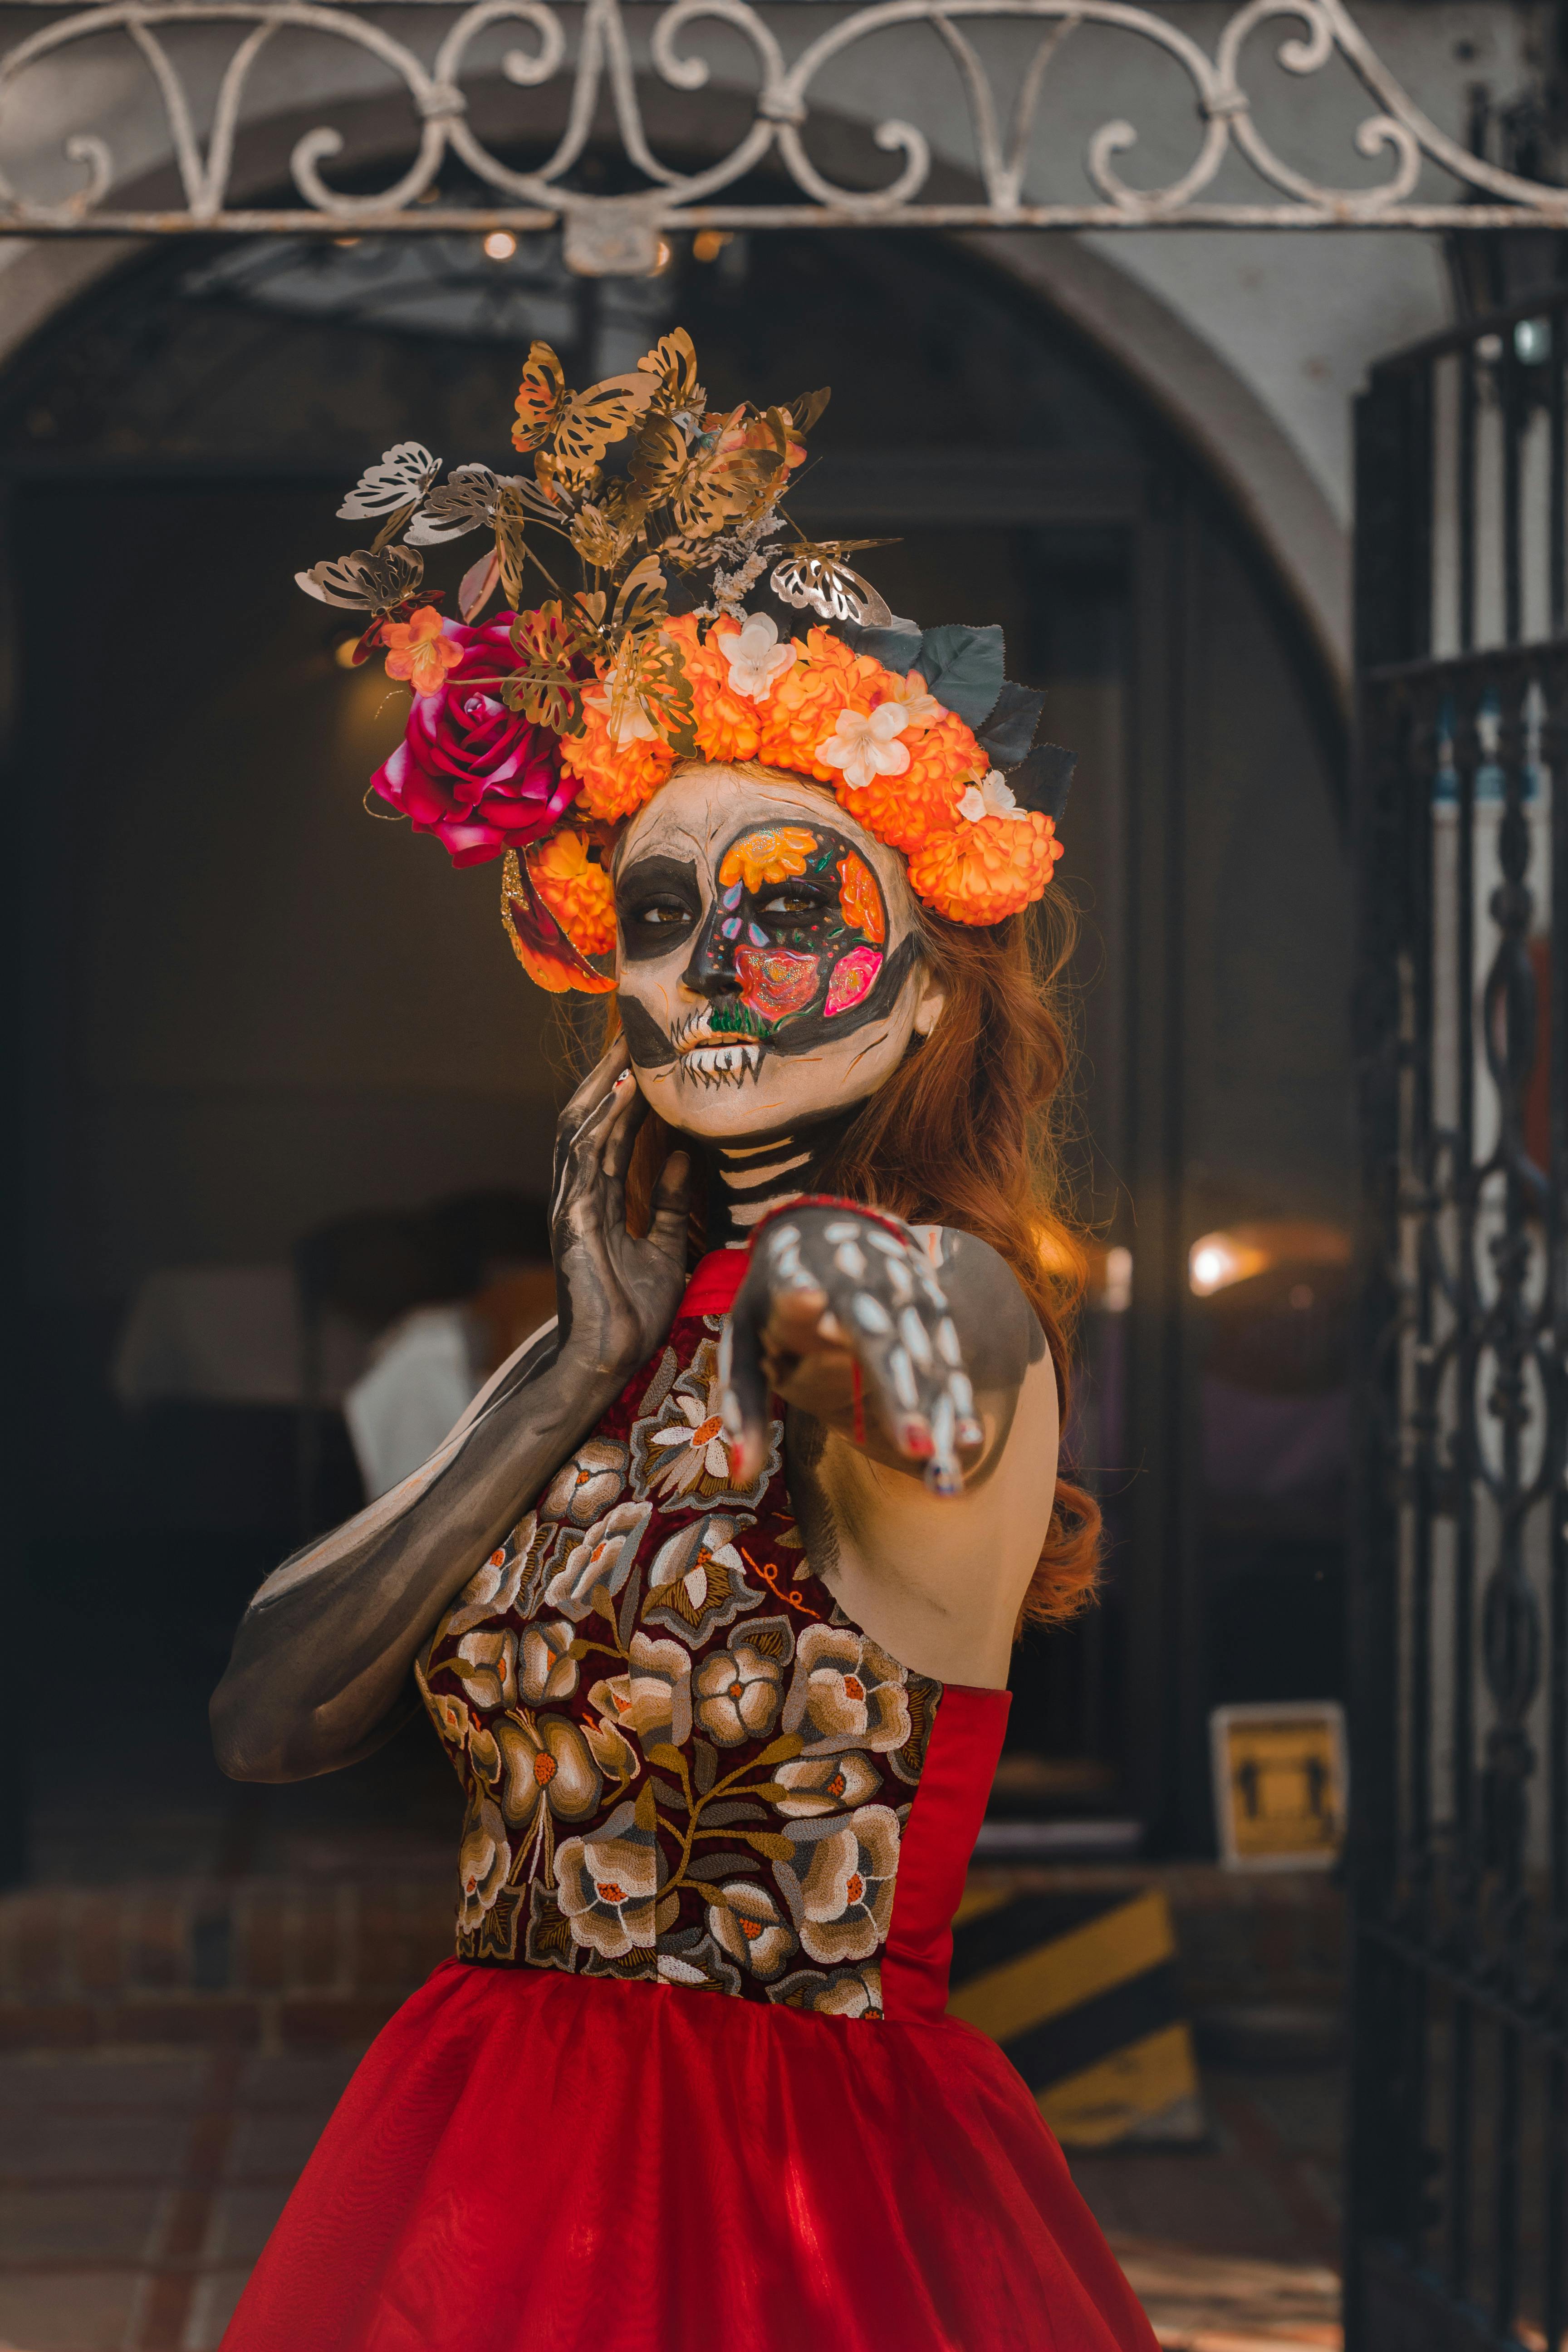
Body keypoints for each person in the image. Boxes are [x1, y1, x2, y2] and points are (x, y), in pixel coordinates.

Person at [211, 330, 1158, 2351]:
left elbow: (904, 1365)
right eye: (662, 913)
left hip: (786, 2197)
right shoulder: (607, 1342)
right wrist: (567, 1369)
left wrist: (804, 1317)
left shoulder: (940, 1297)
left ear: (924, 999)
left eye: (792, 903)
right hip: (482, 2164)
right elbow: (269, 1720)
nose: (718, 966)